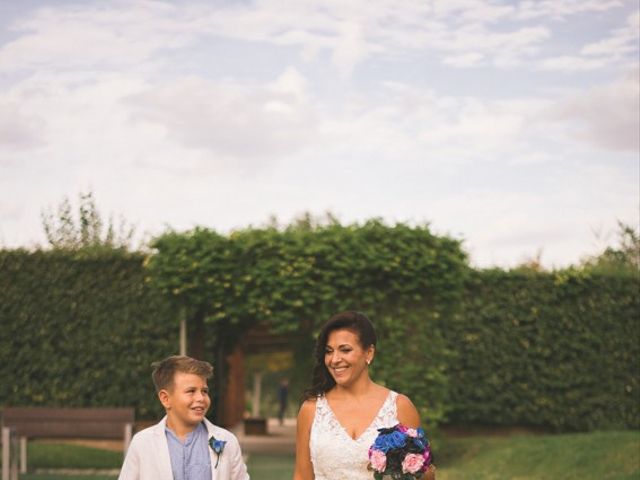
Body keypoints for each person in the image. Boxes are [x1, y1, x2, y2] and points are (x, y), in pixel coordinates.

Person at [293, 311, 436, 480]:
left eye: (345, 350)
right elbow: (302, 476)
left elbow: (422, 474)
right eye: (329, 351)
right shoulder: (311, 409)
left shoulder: (399, 407)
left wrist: (424, 472)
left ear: (369, 353)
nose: (334, 359)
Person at [118, 355, 250, 480]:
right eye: (191, 391)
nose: (200, 398)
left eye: (204, 391)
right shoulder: (142, 443)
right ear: (165, 399)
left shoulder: (227, 441)